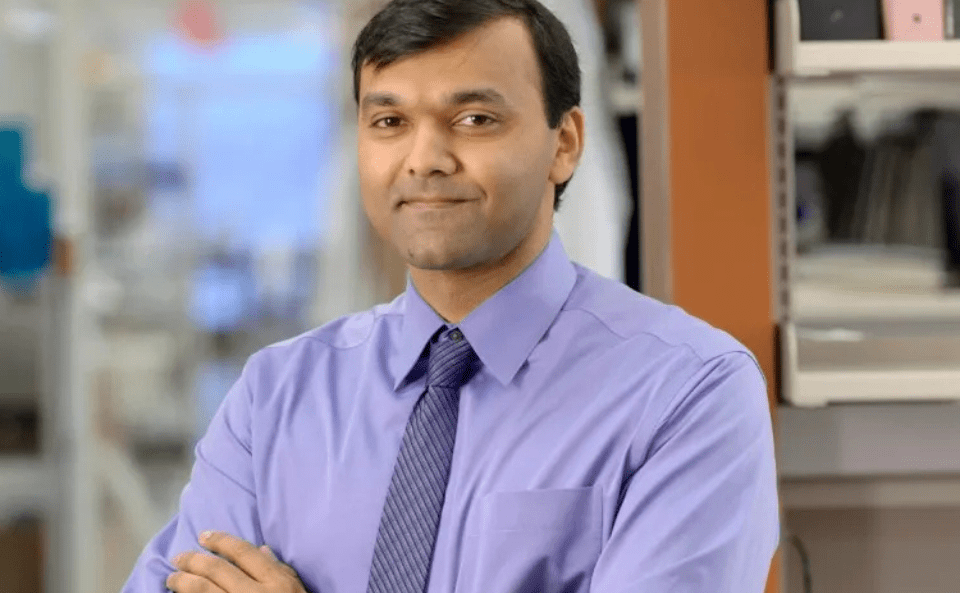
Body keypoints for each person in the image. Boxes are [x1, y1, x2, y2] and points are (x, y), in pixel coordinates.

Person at [123, 1, 779, 591]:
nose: (424, 158)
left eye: (474, 118)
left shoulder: (688, 392)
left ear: (565, 144)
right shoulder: (277, 396)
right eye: (389, 120)